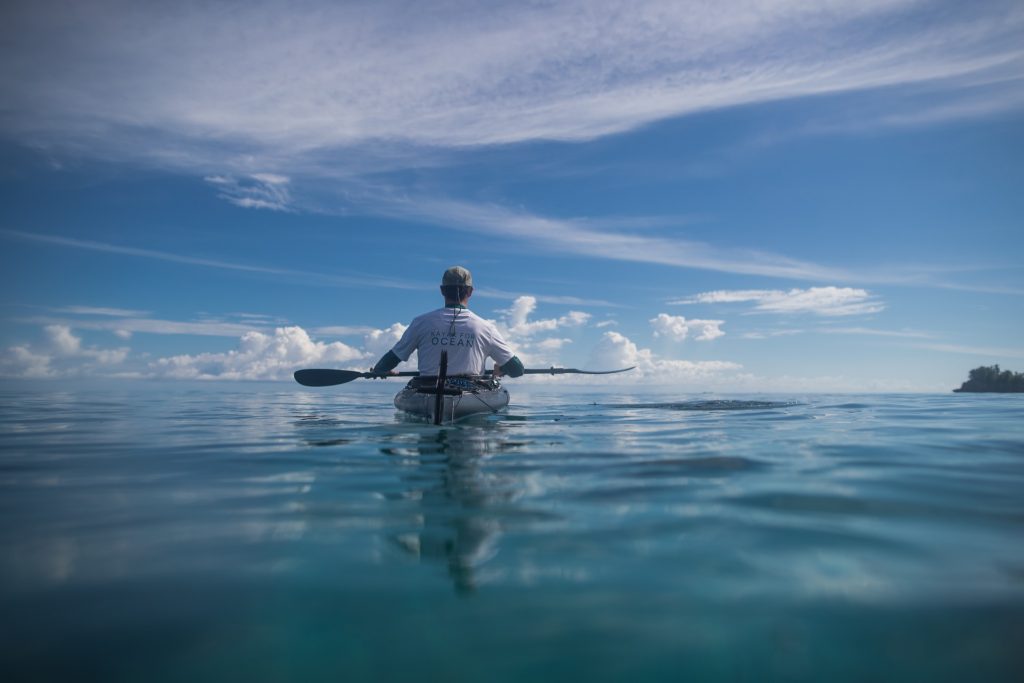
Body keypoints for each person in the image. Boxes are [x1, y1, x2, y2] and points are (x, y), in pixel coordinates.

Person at [371, 266, 525, 378]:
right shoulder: (486, 328)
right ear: (470, 291)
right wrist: (501, 370)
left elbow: (392, 359)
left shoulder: (420, 322)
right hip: (469, 392)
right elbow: (517, 369)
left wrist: (381, 370)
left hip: (428, 390)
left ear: (442, 290)